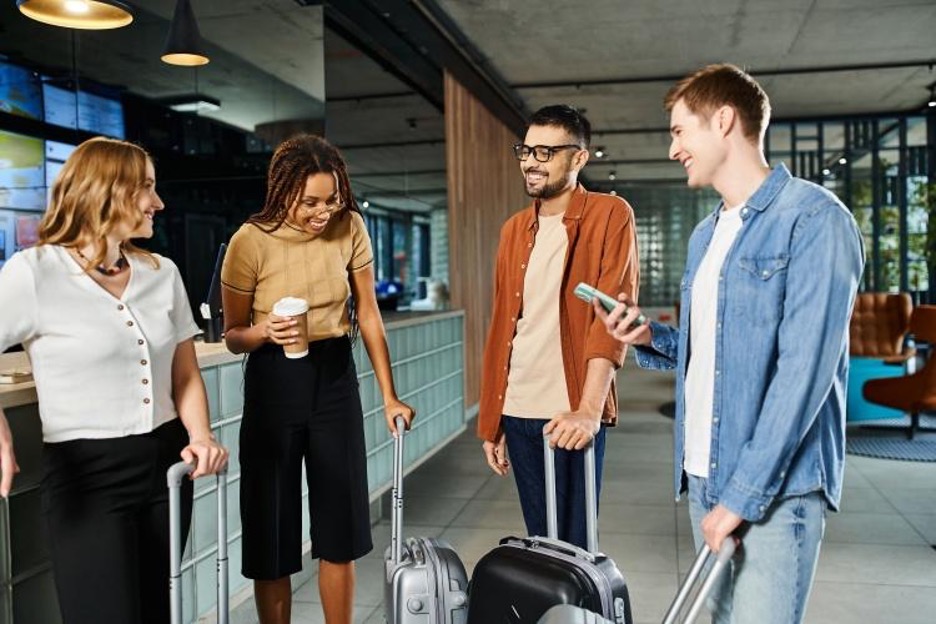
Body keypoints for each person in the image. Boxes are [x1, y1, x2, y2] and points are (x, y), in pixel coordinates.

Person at [599, 64, 864, 623]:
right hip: (704, 473)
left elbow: (804, 374)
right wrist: (651, 336)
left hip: (775, 489)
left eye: (678, 131)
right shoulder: (707, 234)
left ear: (723, 120)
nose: (673, 149)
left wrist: (742, 496)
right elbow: (721, 351)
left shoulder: (814, 219)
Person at [0, 137, 228, 624]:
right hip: (87, 475)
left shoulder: (161, 272)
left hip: (166, 466)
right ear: (107, 191)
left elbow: (183, 371)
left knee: (156, 613)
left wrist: (201, 436)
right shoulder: (34, 272)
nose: (159, 203)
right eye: (147, 187)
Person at [220, 134, 415, 624]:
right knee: (272, 529)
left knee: (339, 528)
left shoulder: (350, 226)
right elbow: (232, 336)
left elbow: (368, 313)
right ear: (282, 191)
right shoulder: (250, 241)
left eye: (331, 199)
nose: (322, 212)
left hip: (334, 378)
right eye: (310, 202)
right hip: (273, 382)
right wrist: (263, 331)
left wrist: (390, 395)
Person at [478, 105, 640, 549]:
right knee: (541, 546)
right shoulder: (514, 229)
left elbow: (611, 316)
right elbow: (503, 327)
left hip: (570, 411)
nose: (531, 161)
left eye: (546, 152)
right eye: (526, 150)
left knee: (577, 547)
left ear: (579, 158)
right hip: (518, 408)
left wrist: (589, 410)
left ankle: (581, 618)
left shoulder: (610, 214)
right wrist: (492, 422)